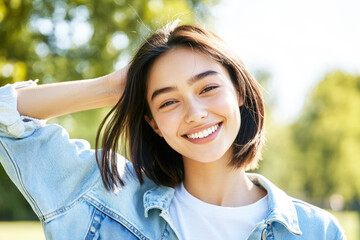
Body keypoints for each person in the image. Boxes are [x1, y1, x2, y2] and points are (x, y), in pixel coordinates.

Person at [0, 23, 345, 240]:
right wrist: (112, 88)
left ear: (238, 91)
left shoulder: (317, 230)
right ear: (153, 123)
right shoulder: (107, 201)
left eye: (208, 89)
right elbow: (6, 117)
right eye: (168, 103)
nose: (195, 113)